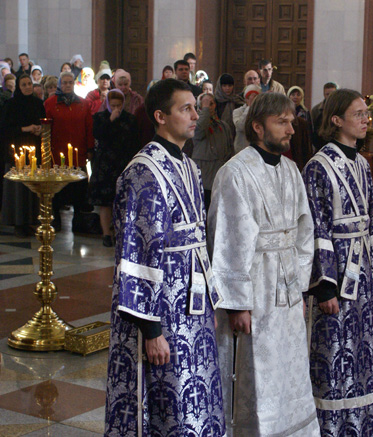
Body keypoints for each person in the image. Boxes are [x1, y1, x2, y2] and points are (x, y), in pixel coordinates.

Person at [105, 78, 225, 436]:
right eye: (185, 109)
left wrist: (209, 304)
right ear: (160, 116)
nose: (195, 115)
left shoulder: (188, 164)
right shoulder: (144, 171)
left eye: (195, 108)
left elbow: (197, 243)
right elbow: (137, 253)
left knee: (197, 399)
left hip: (193, 305)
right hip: (162, 312)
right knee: (167, 399)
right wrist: (152, 330)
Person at [208, 92, 319, 436]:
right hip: (254, 290)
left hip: (287, 290)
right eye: (281, 122)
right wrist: (237, 304)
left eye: (291, 121)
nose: (291, 130)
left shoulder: (291, 170)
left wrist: (299, 288)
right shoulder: (235, 172)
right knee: (254, 371)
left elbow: (304, 233)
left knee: (288, 369)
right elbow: (227, 239)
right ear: (257, 127)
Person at [302, 88, 373, 436]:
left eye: (366, 113)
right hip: (336, 273)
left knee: (363, 347)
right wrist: (324, 285)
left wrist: (372, 267)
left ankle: (365, 424)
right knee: (335, 348)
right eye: (358, 114)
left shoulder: (362, 163)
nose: (365, 119)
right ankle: (334, 427)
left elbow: (371, 216)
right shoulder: (318, 166)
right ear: (336, 120)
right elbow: (317, 227)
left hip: (361, 272)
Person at [44, 71, 96, 233]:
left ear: (74, 84)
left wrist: (89, 149)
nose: (67, 85)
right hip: (57, 153)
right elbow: (46, 129)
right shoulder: (50, 103)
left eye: (70, 82)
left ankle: (78, 221)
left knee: (79, 189)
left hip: (78, 153)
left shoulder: (83, 103)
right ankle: (57, 220)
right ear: (60, 84)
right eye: (65, 82)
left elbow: (89, 128)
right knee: (58, 189)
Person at [88, 89, 140, 247]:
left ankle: (121, 233)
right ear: (108, 104)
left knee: (123, 201)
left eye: (119, 105)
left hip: (123, 163)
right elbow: (98, 134)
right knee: (105, 202)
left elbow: (134, 141)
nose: (116, 108)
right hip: (104, 165)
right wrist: (110, 120)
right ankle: (106, 233)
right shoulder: (100, 117)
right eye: (113, 105)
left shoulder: (130, 119)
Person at [0, 74, 46, 237]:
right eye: (24, 85)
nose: (27, 87)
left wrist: (40, 129)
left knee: (33, 186)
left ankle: (31, 220)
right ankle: (18, 222)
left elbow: (44, 121)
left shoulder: (38, 103)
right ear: (19, 87)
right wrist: (25, 128)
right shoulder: (11, 104)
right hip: (17, 150)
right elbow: (5, 129)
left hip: (34, 149)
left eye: (29, 84)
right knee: (18, 188)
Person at [191, 93, 234, 209]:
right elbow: (199, 130)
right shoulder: (195, 124)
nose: (209, 106)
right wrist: (205, 109)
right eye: (205, 104)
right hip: (204, 178)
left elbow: (230, 149)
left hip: (220, 176)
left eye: (211, 103)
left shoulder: (223, 126)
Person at [232, 84, 260, 154]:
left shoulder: (262, 112)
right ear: (245, 99)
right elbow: (240, 127)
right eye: (249, 97)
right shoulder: (237, 112)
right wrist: (250, 107)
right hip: (242, 149)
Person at [310, 82, 338, 149]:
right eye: (327, 94)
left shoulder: (341, 109)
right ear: (324, 94)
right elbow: (312, 128)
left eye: (332, 94)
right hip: (321, 143)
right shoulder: (316, 110)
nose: (330, 96)